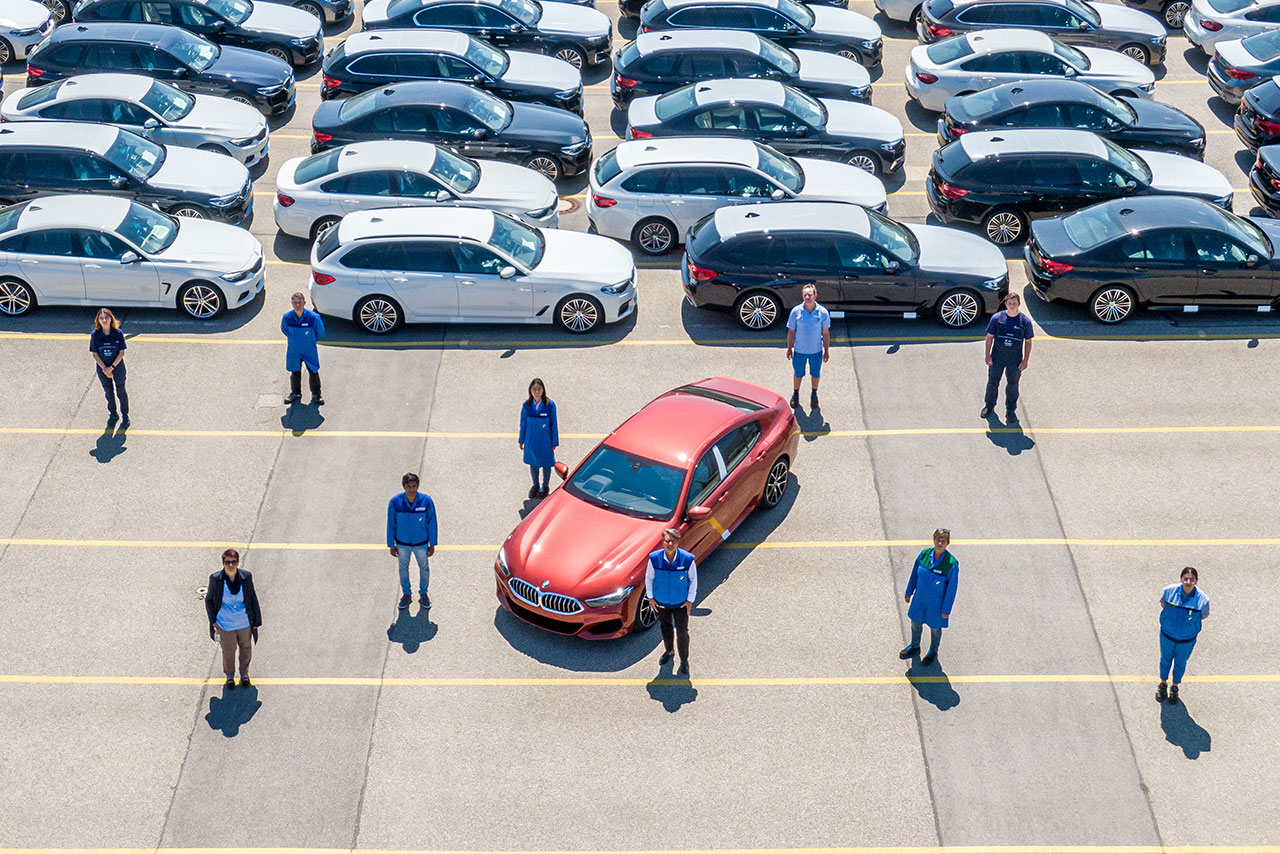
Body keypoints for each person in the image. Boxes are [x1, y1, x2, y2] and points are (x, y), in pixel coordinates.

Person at [204, 548, 261, 691]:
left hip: (244, 622)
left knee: (246, 649)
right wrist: (213, 620)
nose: (230, 565)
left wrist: (256, 622)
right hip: (225, 624)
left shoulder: (246, 577)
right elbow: (209, 600)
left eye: (233, 562)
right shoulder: (216, 579)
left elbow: (252, 598)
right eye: (227, 562)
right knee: (228, 651)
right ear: (223, 563)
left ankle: (244, 674)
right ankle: (230, 676)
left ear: (238, 562)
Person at [899, 528, 959, 665]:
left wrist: (946, 611)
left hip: (936, 604)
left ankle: (933, 651)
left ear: (947, 543)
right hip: (920, 599)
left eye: (943, 541)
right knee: (915, 623)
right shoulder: (924, 555)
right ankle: (914, 646)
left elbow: (952, 589)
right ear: (934, 540)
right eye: (938, 539)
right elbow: (914, 574)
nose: (939, 543)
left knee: (935, 628)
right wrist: (909, 591)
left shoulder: (951, 564)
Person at [645, 528, 698, 676]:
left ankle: (684, 660)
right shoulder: (654, 559)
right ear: (663, 542)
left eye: (673, 541)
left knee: (682, 632)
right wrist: (651, 597)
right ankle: (669, 651)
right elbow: (649, 578)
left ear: (678, 542)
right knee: (666, 627)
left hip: (681, 603)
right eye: (667, 540)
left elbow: (693, 580)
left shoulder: (687, 559)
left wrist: (690, 601)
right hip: (661, 602)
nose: (670, 543)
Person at [1157, 567, 1209, 704]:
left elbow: (1203, 616)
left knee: (1180, 663)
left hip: (1186, 640)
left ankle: (1175, 686)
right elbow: (1163, 605)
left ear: (1196, 581)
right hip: (1167, 636)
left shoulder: (1203, 600)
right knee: (1165, 660)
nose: (1188, 581)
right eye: (1185, 578)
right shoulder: (1169, 591)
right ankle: (1163, 684)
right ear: (1181, 579)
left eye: (1192, 579)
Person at [387, 472, 437, 610]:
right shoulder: (395, 502)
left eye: (414, 486)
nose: (411, 489)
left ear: (417, 486)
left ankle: (423, 593)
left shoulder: (426, 501)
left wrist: (432, 544)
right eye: (408, 486)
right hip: (402, 544)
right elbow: (391, 523)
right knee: (403, 568)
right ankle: (406, 594)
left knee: (424, 568)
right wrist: (391, 544)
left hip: (421, 543)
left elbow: (432, 522)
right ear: (404, 487)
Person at [982, 292, 1033, 422]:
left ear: (1019, 304)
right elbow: (989, 337)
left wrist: (1025, 360)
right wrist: (987, 355)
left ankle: (1010, 410)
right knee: (993, 382)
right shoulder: (996, 318)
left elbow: (1028, 342)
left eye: (1014, 303)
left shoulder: (1025, 321)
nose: (1011, 306)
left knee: (1013, 384)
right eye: (1009, 303)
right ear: (1005, 304)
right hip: (997, 358)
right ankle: (989, 406)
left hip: (1014, 360)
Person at [785, 284, 831, 409]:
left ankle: (814, 394)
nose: (807, 297)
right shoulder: (796, 312)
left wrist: (826, 351)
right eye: (805, 295)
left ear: (815, 296)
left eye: (810, 295)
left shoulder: (823, 312)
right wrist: (789, 348)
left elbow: (826, 333)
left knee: (815, 374)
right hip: (799, 351)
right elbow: (791, 332)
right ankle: (796, 393)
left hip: (816, 351)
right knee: (798, 374)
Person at [519, 378, 559, 499]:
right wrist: (521, 440)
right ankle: (535, 485)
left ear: (543, 390)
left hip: (545, 440)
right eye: (534, 389)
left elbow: (554, 424)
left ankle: (545, 486)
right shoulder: (526, 406)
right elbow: (523, 424)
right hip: (531, 440)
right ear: (530, 390)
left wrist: (554, 441)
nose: (537, 392)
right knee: (533, 463)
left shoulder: (549, 405)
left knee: (546, 463)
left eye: (539, 389)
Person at [282, 292, 325, 405]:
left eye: (300, 302)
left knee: (313, 371)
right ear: (291, 303)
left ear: (304, 303)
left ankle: (317, 395)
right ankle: (295, 393)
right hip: (294, 351)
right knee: (295, 372)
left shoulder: (313, 317)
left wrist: (310, 340)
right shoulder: (287, 318)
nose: (297, 305)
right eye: (295, 303)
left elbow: (320, 331)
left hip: (309, 350)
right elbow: (284, 330)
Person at [89, 308, 129, 425]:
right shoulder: (95, 335)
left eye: (106, 317)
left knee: (121, 391)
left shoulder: (118, 333)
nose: (104, 320)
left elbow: (121, 352)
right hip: (103, 368)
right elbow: (95, 354)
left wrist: (111, 367)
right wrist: (104, 369)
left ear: (111, 318)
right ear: (98, 320)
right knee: (108, 392)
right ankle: (113, 414)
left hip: (117, 367)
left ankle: (125, 416)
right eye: (101, 318)